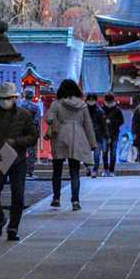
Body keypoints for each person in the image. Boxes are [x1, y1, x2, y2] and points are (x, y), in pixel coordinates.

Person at [0, 82, 39, 241]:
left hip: (18, 159)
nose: (5, 101)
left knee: (18, 195)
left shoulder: (24, 115)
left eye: (8, 98)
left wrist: (16, 141)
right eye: (3, 98)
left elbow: (33, 137)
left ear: (14, 98)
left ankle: (13, 228)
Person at [46, 79, 97, 210]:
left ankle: (56, 198)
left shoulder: (56, 104)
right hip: (77, 137)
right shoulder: (82, 105)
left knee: (57, 170)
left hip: (60, 137)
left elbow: (49, 118)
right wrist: (92, 143)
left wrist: (54, 122)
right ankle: (75, 201)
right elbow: (88, 125)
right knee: (74, 171)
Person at [85, 93, 108, 178]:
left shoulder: (100, 111)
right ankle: (87, 167)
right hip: (86, 135)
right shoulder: (83, 110)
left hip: (98, 135)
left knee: (97, 154)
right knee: (86, 153)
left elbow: (104, 125)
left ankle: (95, 170)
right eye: (89, 100)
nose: (91, 102)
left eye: (93, 100)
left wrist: (106, 135)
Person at [101, 93, 124, 176]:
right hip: (104, 135)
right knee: (104, 152)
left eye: (110, 102)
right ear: (105, 102)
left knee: (113, 153)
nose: (109, 104)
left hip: (114, 134)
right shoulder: (101, 110)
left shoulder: (117, 110)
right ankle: (105, 169)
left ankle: (111, 170)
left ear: (113, 101)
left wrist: (111, 122)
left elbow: (121, 121)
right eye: (107, 102)